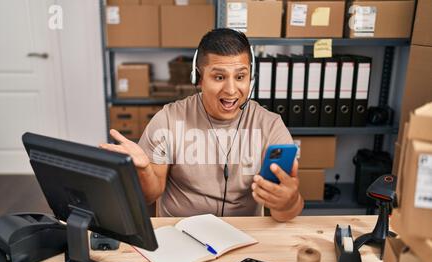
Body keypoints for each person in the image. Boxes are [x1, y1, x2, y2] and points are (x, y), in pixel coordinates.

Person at [100, 28, 304, 221]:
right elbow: (149, 196)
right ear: (198, 78)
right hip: (179, 233)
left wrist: (288, 202)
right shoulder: (168, 120)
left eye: (240, 76)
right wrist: (144, 169)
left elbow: (286, 214)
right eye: (219, 77)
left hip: (242, 236)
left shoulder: (270, 126)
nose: (231, 90)